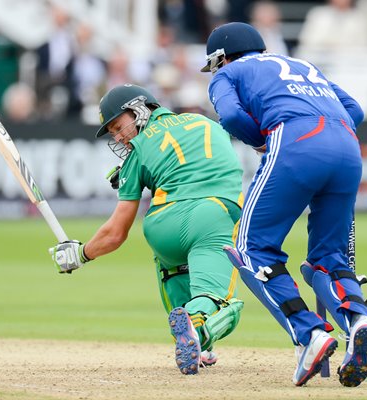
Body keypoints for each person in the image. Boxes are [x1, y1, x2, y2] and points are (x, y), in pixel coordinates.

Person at [201, 22, 367, 387]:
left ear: (221, 57)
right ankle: (358, 318)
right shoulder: (303, 65)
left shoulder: (228, 73)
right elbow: (354, 110)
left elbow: (231, 117)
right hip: (346, 146)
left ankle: (308, 333)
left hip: (295, 141)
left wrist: (262, 141)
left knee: (251, 248)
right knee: (329, 259)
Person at [49, 83, 245, 375]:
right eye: (113, 132)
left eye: (118, 126)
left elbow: (116, 233)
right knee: (222, 302)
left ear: (140, 109)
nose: (118, 137)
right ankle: (199, 330)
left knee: (173, 268)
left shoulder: (137, 152)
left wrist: (79, 254)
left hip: (161, 225)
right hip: (212, 215)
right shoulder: (207, 123)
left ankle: (193, 340)